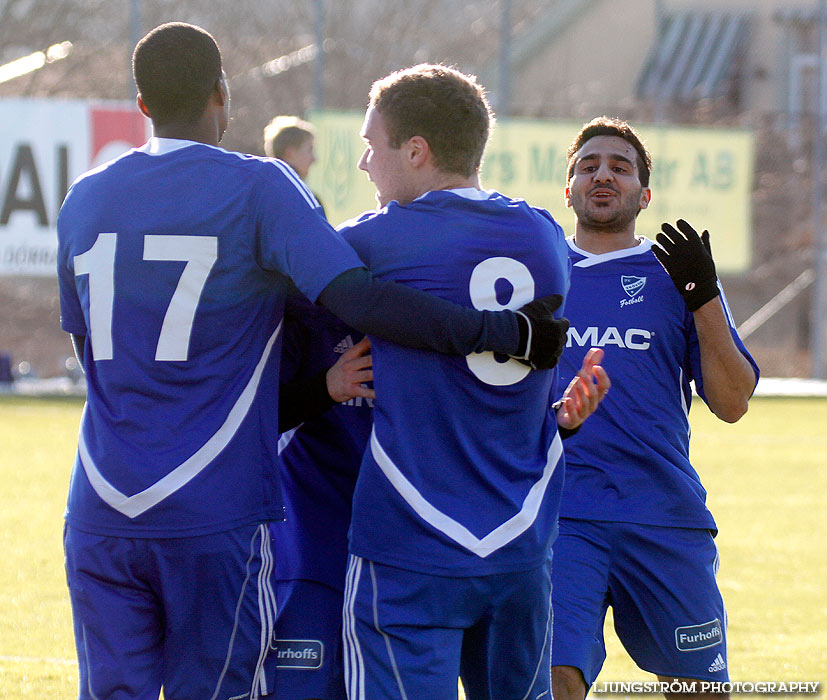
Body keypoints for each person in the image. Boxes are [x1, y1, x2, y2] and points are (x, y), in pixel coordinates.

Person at [55, 23, 568, 700]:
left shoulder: (84, 196)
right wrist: (498, 330)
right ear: (221, 95)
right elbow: (358, 298)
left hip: (99, 501)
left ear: (142, 103)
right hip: (213, 506)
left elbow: (87, 349)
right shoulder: (261, 187)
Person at [336, 64, 610, 700]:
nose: (364, 166)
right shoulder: (543, 236)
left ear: (416, 151)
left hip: (409, 541)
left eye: (370, 146)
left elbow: (315, 282)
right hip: (520, 542)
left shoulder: (378, 240)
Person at [550, 116, 760, 700]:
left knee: (697, 690)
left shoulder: (678, 278)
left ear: (644, 195)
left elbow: (732, 402)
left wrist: (705, 297)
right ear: (567, 190)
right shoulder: (537, 274)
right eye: (587, 166)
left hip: (662, 513)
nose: (602, 175)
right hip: (561, 512)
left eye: (621, 167)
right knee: (553, 676)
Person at [263, 115, 317, 181]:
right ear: (290, 153)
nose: (314, 159)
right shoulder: (289, 189)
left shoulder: (263, 184)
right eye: (309, 150)